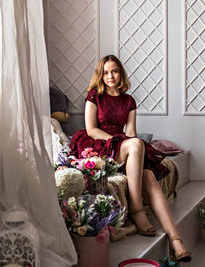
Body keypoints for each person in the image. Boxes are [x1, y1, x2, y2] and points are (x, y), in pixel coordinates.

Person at [70, 55, 191, 262]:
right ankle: (136, 209)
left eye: (114, 71)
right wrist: (116, 141)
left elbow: (132, 132)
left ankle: (176, 241)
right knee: (135, 145)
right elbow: (91, 129)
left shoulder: (129, 101)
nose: (110, 76)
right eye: (106, 72)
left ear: (121, 74)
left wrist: (131, 147)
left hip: (123, 146)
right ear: (100, 74)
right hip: (100, 144)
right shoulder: (94, 96)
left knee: (149, 176)